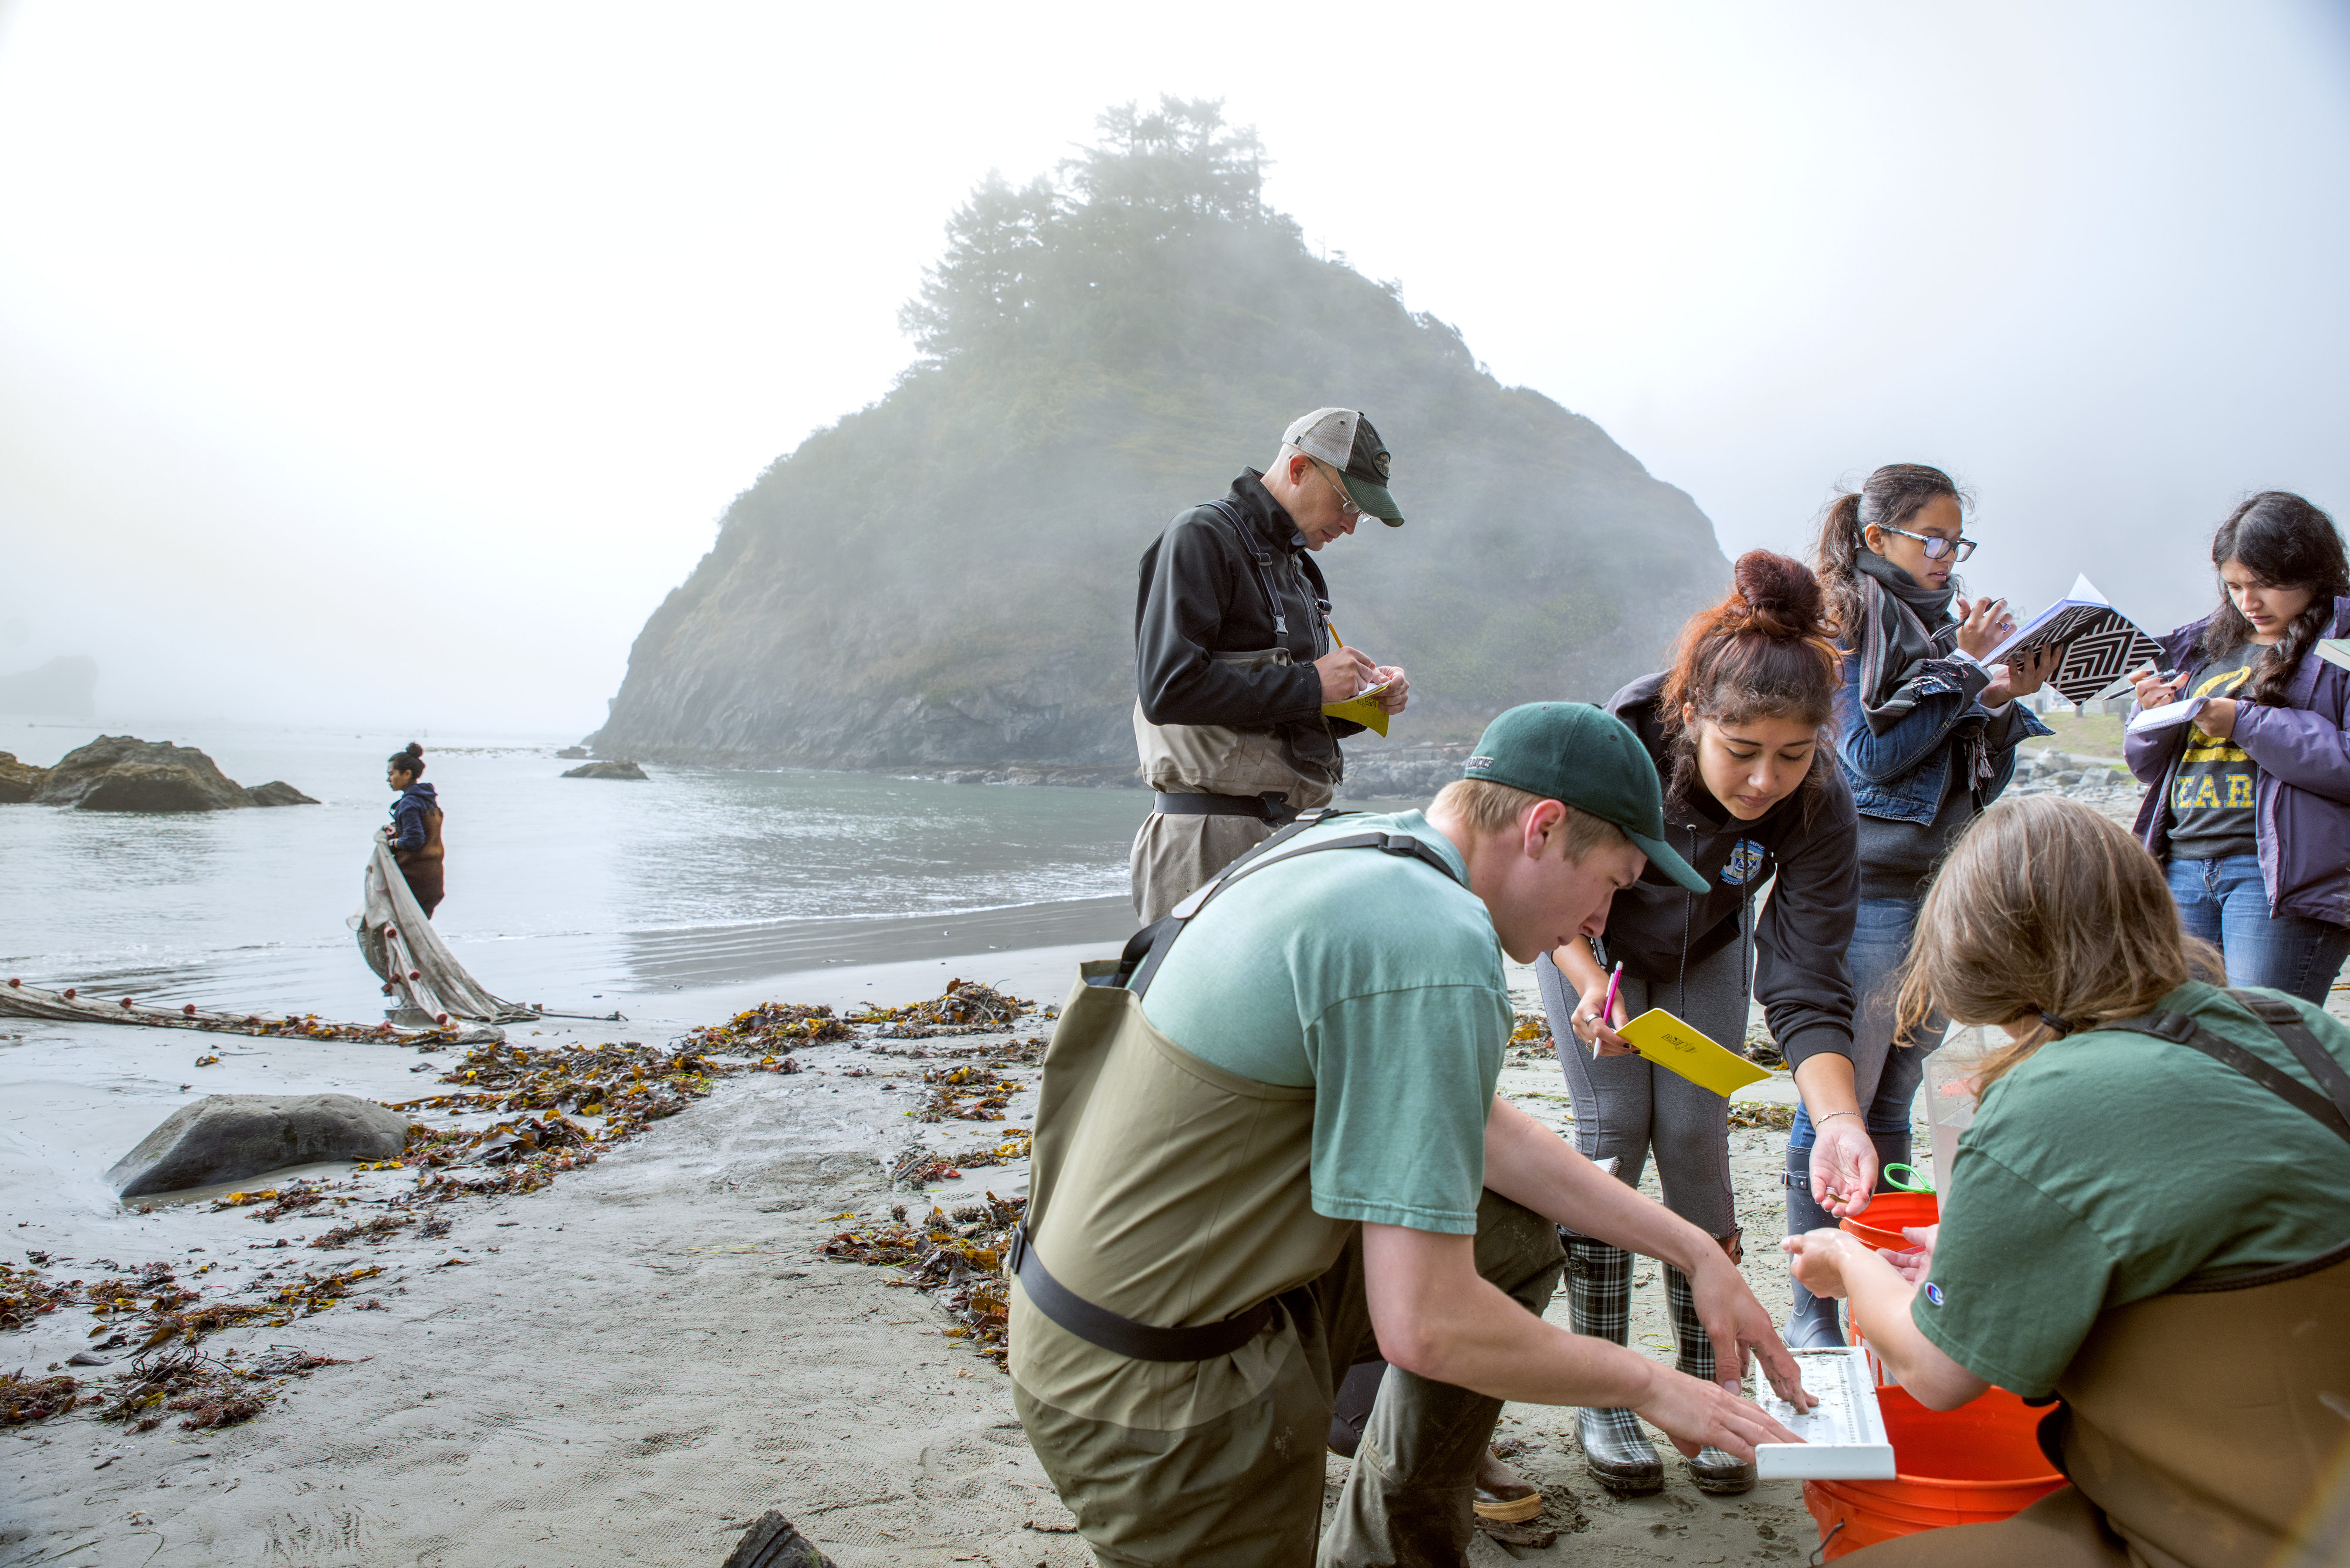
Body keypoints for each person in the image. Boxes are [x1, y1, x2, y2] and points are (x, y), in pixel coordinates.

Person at [1009, 703, 1810, 1568]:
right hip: (1158, 1388)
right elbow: (1426, 1325)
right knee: (1456, 1293)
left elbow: (1477, 1127)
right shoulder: (1431, 939)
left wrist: (1696, 1251)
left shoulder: (1370, 849)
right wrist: (1653, 1383)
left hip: (1106, 1299)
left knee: (1509, 1237)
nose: (1600, 927)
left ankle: (1397, 1545)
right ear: (1543, 829)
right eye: (1612, 885)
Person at [1781, 794, 2350, 1567]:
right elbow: (2213, 1220)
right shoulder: (2296, 1027)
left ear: (1978, 952)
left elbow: (1937, 1373)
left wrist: (1844, 1262)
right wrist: (1974, 1249)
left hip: (2217, 1528)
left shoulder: (2043, 1097)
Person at [1528, 550, 1860, 1497]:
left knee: (1694, 1137)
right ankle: (1606, 1394)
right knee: (1613, 1135)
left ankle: (1714, 1383)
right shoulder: (1618, 741)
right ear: (1692, 720)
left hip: (1708, 949)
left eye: (1792, 756)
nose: (1764, 781)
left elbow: (1804, 979)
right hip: (1588, 939)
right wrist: (1593, 983)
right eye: (1742, 750)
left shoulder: (1819, 805)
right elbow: (1547, 887)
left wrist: (1836, 1120)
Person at [1790, 463, 2057, 1348]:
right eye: (1930, 538)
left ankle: (1868, 1285)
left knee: (1895, 1105)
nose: (1946, 556)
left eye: (1957, 541)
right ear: (1879, 539)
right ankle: (1813, 1312)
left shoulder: (1939, 626)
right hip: (1866, 895)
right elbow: (1871, 759)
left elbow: (1973, 778)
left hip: (1940, 891)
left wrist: (2000, 702)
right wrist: (1966, 671)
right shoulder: (1854, 621)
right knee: (1836, 1107)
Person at [1129, 407, 1410, 923]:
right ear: (1300, 468)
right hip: (1210, 839)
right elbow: (1168, 689)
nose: (1350, 525)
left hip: (1291, 835)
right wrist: (1312, 681)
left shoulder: (1301, 570)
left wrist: (1359, 702)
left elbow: (1288, 710)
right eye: (1349, 503)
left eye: (1362, 514)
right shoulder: (1201, 536)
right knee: (1199, 1006)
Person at [2124, 491, 2350, 1004]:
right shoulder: (2204, 646)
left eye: (2266, 585)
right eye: (2234, 586)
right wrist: (2150, 714)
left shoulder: (2342, 645)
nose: (2249, 603)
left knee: (2266, 1045)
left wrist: (2244, 721)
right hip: (2181, 864)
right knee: (2190, 1039)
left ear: (2313, 572)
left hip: (2277, 880)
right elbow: (2146, 767)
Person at [384, 742, 444, 916]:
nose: (389, 779)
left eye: (391, 774)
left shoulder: (409, 803)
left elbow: (414, 840)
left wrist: (392, 842)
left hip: (414, 882)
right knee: (417, 933)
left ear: (407, 774)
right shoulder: (428, 799)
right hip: (433, 880)